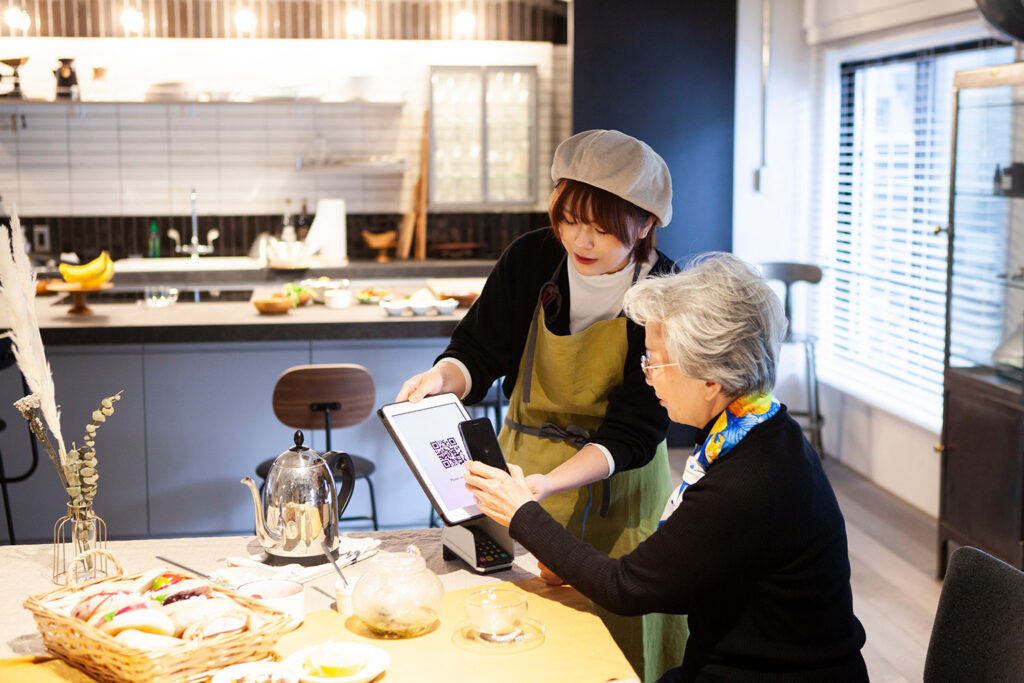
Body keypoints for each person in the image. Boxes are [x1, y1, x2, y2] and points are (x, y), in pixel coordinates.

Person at [464, 253, 869, 683]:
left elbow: (627, 588)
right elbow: (688, 572)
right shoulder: (757, 430)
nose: (648, 376)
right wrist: (574, 563)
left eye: (654, 361)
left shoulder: (750, 478)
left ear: (711, 378)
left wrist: (520, 512)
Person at [397, 129, 686, 680]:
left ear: (646, 223)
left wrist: (550, 485)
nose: (581, 239)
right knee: (511, 636)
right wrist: (441, 378)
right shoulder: (532, 258)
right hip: (520, 469)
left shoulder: (663, 292)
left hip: (615, 486)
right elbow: (478, 351)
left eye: (602, 228)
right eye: (571, 218)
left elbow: (635, 428)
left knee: (612, 643)